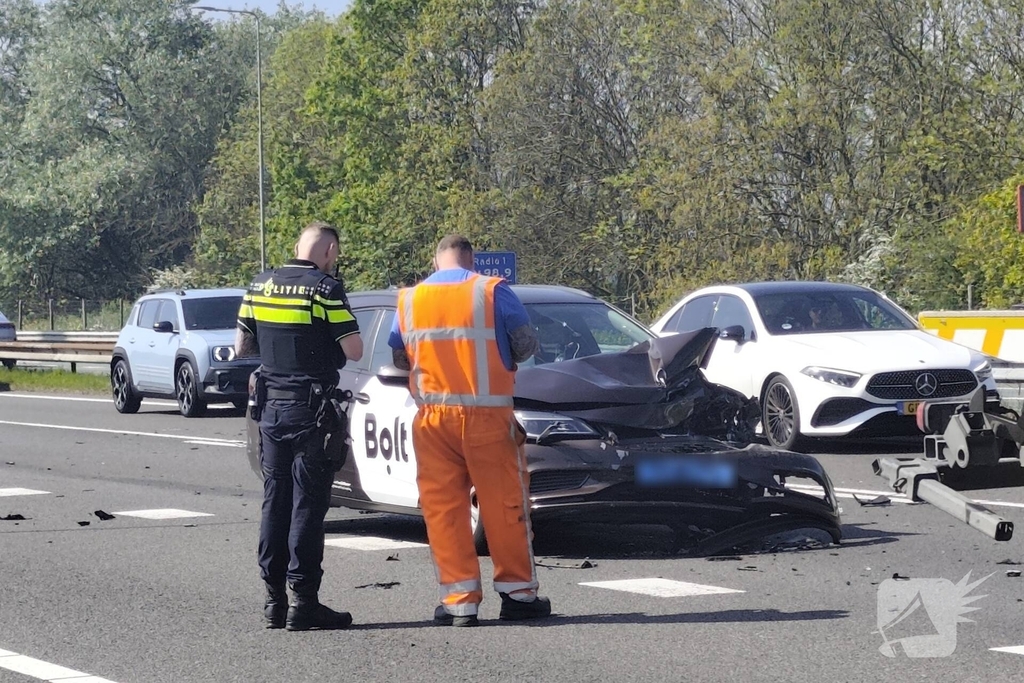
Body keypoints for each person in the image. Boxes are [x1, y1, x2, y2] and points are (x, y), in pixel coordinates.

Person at [388, 235, 550, 627]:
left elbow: (399, 356)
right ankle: (518, 595)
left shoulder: (409, 300)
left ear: (435, 260)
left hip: (432, 420)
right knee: (504, 504)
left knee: (444, 510)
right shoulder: (493, 291)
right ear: (472, 261)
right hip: (486, 416)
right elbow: (525, 346)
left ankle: (460, 602)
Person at [236, 221, 363, 631]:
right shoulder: (325, 288)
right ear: (329, 252)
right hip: (312, 412)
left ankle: (273, 601)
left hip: (271, 409)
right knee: (308, 504)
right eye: (336, 256)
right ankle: (303, 602)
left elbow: (243, 347)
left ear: (297, 246)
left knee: (275, 499)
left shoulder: (259, 285)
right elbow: (354, 349)